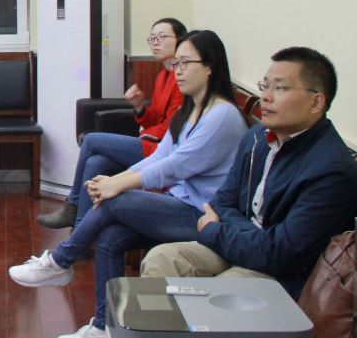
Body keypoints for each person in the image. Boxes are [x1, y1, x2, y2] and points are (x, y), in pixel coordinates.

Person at [8, 30, 248, 338]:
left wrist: (116, 185)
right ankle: (103, 328)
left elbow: (175, 167)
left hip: (203, 217)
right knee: (110, 239)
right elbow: (160, 156)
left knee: (115, 200)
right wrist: (113, 180)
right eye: (176, 64)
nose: (177, 71)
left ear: (210, 67)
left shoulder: (222, 115)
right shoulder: (190, 110)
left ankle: (62, 259)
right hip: (177, 203)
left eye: (185, 63)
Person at [140, 47, 357, 299]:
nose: (266, 97)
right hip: (240, 247)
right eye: (265, 86)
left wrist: (214, 230)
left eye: (280, 88)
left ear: (316, 102)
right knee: (162, 259)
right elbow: (221, 203)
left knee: (222, 291)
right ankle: (163, 327)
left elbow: (280, 254)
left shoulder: (331, 169)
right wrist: (252, 236)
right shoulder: (257, 138)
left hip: (283, 275)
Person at [38, 18, 189, 229]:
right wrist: (139, 107)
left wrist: (145, 133)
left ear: (181, 40)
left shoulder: (183, 79)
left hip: (162, 150)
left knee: (91, 140)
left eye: (162, 37)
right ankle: (80, 227)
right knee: (95, 163)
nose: (155, 43)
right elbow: (156, 119)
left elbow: (171, 129)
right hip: (152, 142)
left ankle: (71, 206)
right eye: (152, 38)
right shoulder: (163, 76)